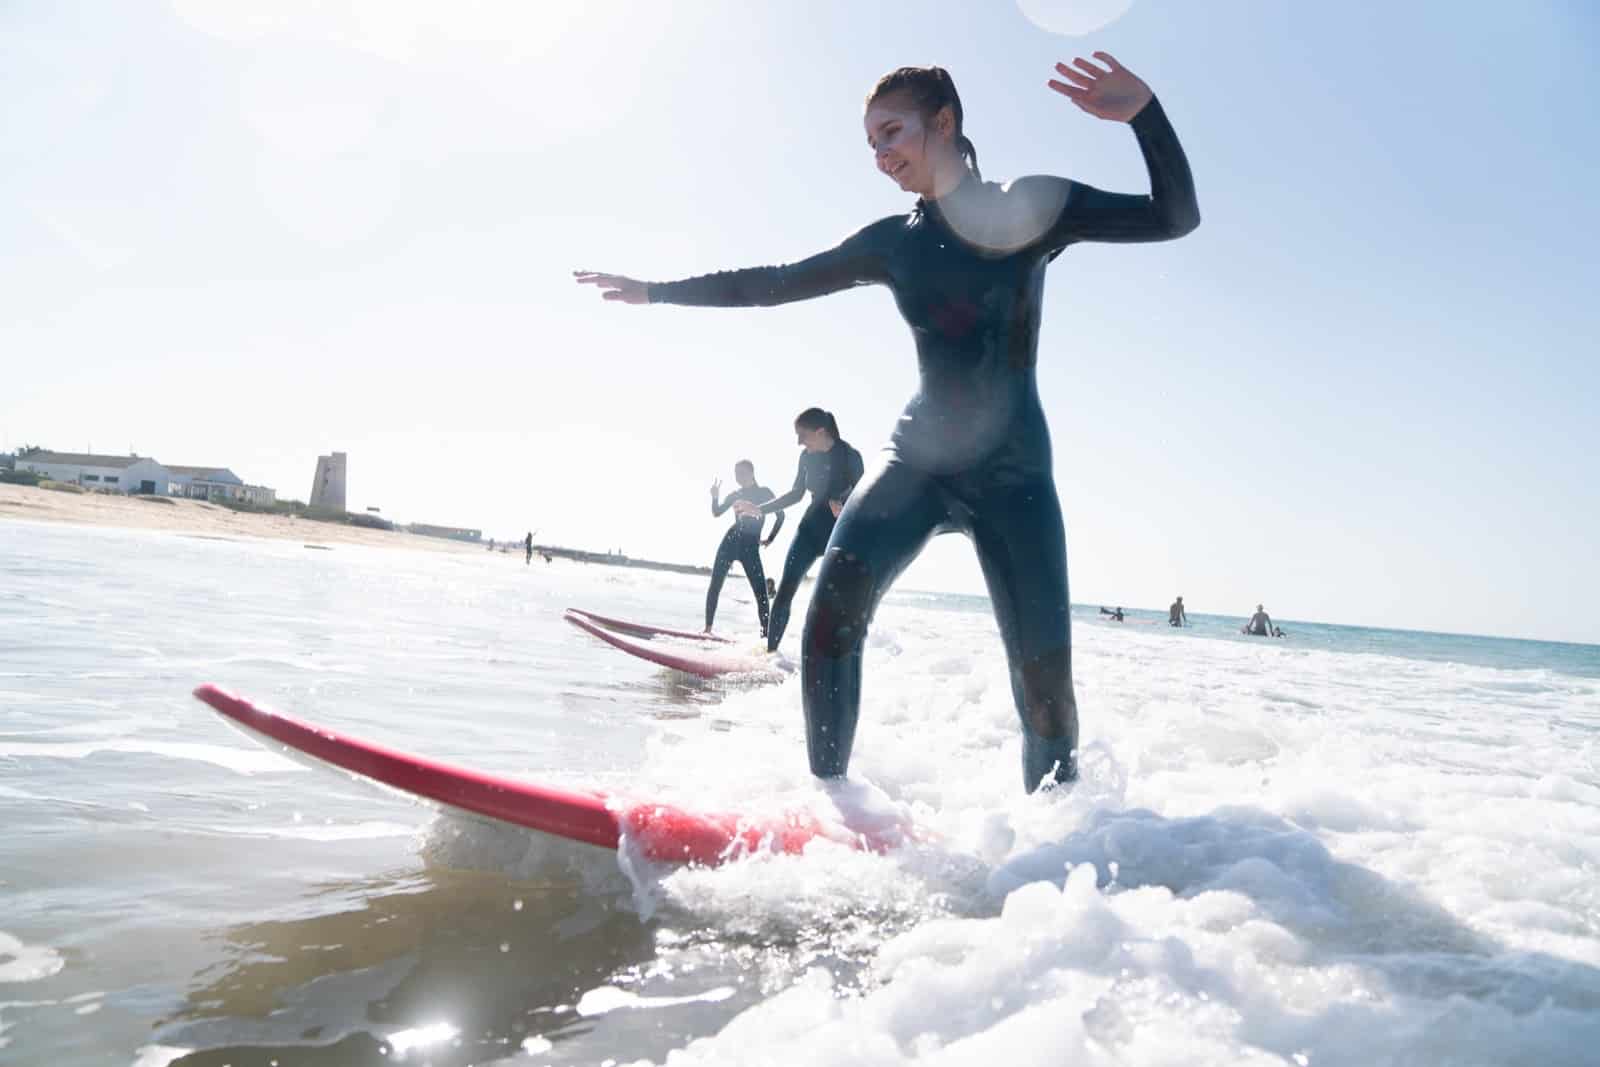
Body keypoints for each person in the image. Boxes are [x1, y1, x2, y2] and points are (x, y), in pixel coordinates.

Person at [575, 54, 1198, 792]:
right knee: (828, 620)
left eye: (892, 133)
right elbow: (774, 284)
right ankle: (833, 808)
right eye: (870, 143)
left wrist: (1145, 115)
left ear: (944, 122)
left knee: (1047, 696)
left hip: (1014, 477)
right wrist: (656, 292)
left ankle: (1058, 849)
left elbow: (1172, 217)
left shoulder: (1030, 208)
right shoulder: (892, 242)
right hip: (918, 464)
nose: (880, 156)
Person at [731, 409, 864, 653]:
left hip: (842, 533)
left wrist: (843, 503)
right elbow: (796, 493)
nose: (799, 442)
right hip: (811, 529)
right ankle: (770, 655)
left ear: (820, 432)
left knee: (833, 601)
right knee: (784, 592)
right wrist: (759, 509)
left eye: (802, 435)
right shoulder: (806, 457)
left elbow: (863, 494)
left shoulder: (849, 456)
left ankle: (832, 657)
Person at [706, 460, 784, 635]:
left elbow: (781, 516)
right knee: (715, 585)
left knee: (761, 594)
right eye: (735, 473)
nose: (737, 477)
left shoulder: (765, 493)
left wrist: (770, 538)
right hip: (730, 542)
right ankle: (707, 629)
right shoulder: (735, 494)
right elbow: (717, 513)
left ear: (751, 472)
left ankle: (766, 636)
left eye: (741, 473)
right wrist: (715, 496)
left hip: (750, 547)